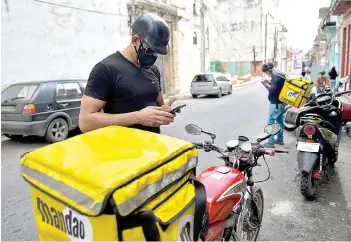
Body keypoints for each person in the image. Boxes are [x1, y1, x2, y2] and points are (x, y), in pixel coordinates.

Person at [79, 13, 175, 134]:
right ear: (135, 40)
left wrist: (164, 111)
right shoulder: (105, 69)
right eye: (150, 50)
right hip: (122, 150)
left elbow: (157, 104)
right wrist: (138, 117)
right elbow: (85, 122)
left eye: (157, 52)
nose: (154, 56)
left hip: (152, 149)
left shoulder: (153, 70)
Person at [261, 62, 286, 147]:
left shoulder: (275, 77)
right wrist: (269, 83)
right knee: (280, 122)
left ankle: (270, 142)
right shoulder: (279, 75)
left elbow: (272, 91)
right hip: (281, 103)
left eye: (265, 72)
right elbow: (277, 87)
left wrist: (265, 85)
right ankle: (280, 139)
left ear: (268, 70)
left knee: (271, 122)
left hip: (275, 103)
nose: (266, 74)